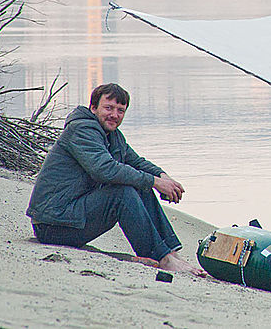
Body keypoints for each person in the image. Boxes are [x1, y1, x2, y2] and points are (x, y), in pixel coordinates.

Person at [27, 83, 204, 275]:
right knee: (122, 192)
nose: (114, 115)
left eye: (120, 110)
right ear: (93, 108)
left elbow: (136, 162)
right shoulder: (82, 130)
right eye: (108, 108)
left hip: (72, 216)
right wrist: (155, 182)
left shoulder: (112, 135)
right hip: (53, 224)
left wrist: (164, 178)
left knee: (140, 184)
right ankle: (162, 258)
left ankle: (169, 253)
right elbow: (104, 170)